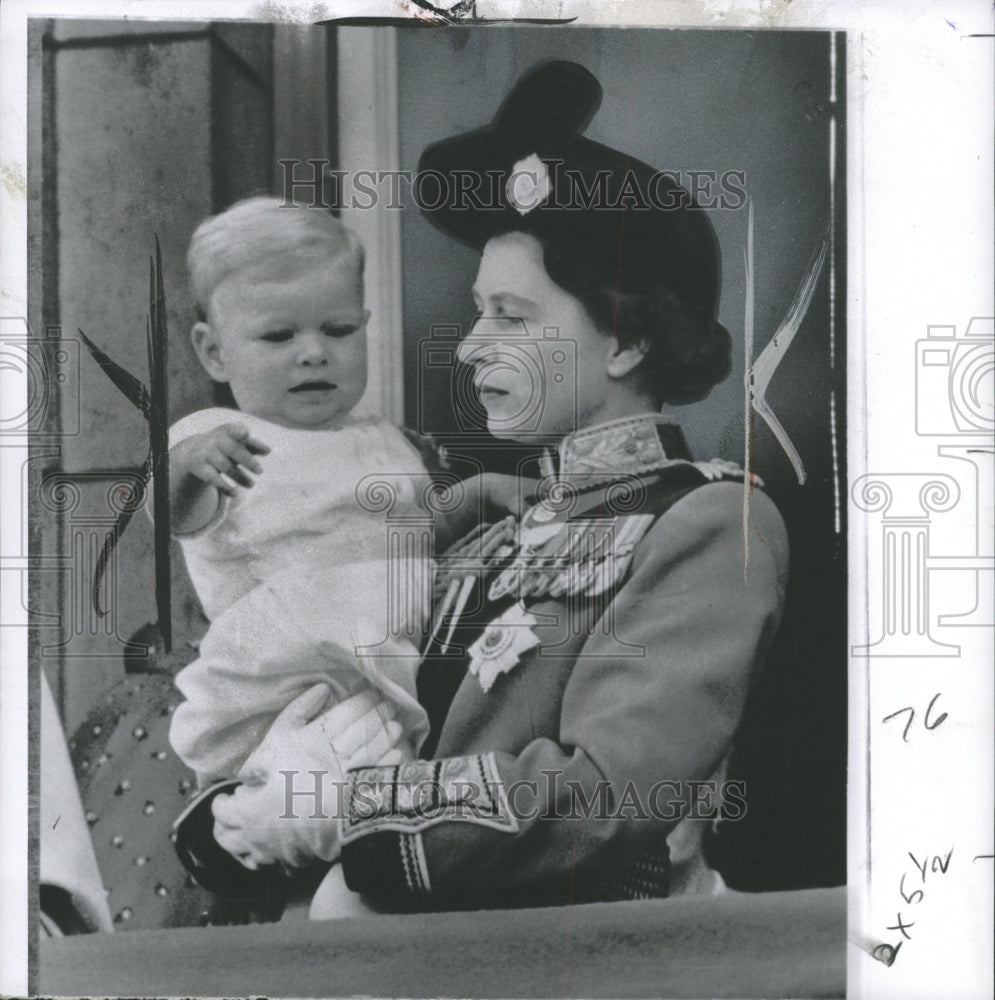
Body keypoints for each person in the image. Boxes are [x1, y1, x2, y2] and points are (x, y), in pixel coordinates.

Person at [181, 60, 789, 915]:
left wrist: (343, 811)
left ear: (624, 342)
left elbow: (603, 801)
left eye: (508, 316)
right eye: (478, 313)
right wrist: (244, 815)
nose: (468, 347)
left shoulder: (706, 520)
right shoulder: (485, 525)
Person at [165, 197, 436, 787]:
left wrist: (480, 496)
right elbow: (170, 510)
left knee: (384, 820)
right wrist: (188, 467)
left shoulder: (386, 441)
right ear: (214, 352)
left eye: (338, 329)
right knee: (304, 813)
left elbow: (423, 533)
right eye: (279, 335)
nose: (314, 351)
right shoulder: (223, 441)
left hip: (390, 676)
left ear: (364, 326)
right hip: (281, 691)